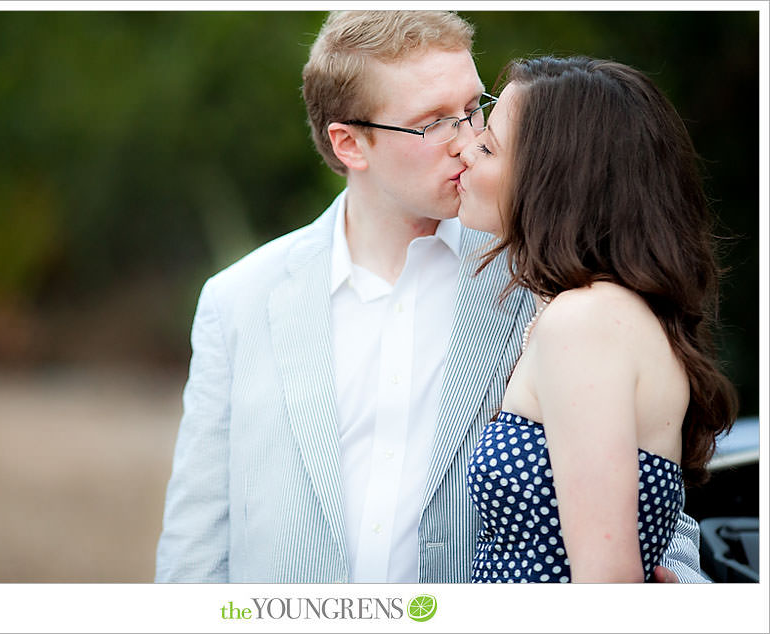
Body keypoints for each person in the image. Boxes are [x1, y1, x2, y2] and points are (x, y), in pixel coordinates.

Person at [156, 11, 704, 583]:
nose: (469, 141)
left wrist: (688, 601)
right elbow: (195, 548)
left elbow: (649, 501)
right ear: (350, 144)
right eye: (435, 122)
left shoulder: (547, 280)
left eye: (473, 109)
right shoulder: (238, 301)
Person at [457, 55, 739, 582]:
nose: (465, 152)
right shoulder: (599, 311)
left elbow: (606, 585)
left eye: (489, 145)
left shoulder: (585, 323)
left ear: (553, 176)